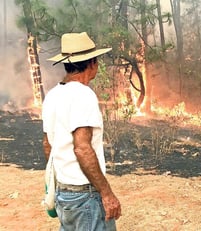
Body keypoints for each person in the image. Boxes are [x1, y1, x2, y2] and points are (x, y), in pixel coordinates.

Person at [42, 32, 121, 230]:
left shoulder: (53, 95)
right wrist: (106, 193)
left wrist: (61, 179)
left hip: (64, 194)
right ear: (92, 62)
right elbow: (82, 148)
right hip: (86, 197)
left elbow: (47, 144)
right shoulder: (83, 95)